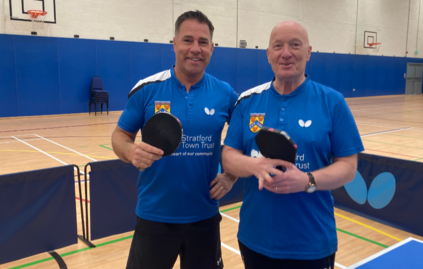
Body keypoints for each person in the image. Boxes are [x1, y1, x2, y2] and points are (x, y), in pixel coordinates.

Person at [222, 21, 364, 269]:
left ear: (308, 52)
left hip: (311, 244)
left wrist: (307, 181)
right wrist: (255, 166)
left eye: (295, 45)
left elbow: (349, 167)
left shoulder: (333, 102)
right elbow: (228, 156)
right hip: (255, 240)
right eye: (278, 46)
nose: (286, 53)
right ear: (268, 54)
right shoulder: (247, 101)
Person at [111, 10, 238, 269]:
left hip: (204, 218)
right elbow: (120, 135)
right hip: (154, 217)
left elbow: (244, 140)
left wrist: (230, 176)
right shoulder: (147, 89)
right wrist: (130, 151)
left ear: (212, 48)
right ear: (174, 44)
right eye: (187, 40)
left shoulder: (225, 94)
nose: (195, 49)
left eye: (203, 42)